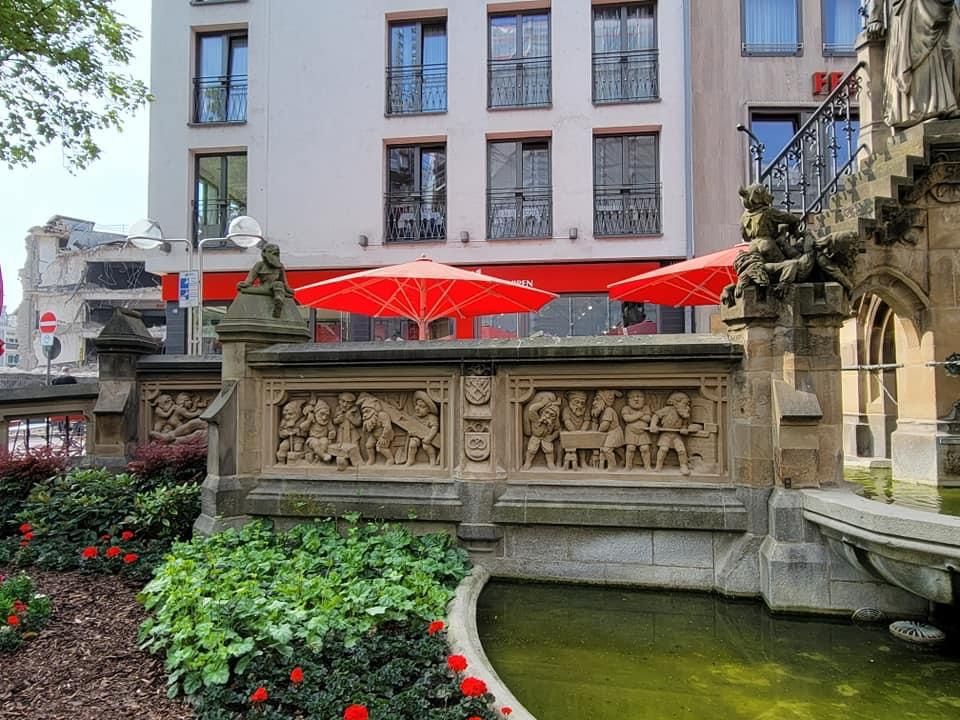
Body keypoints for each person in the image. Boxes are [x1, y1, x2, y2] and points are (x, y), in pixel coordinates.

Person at [866, 0, 959, 128]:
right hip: (911, 10)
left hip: (941, 7)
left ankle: (948, 103)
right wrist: (875, 18)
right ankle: (927, 109)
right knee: (922, 62)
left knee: (953, 49)